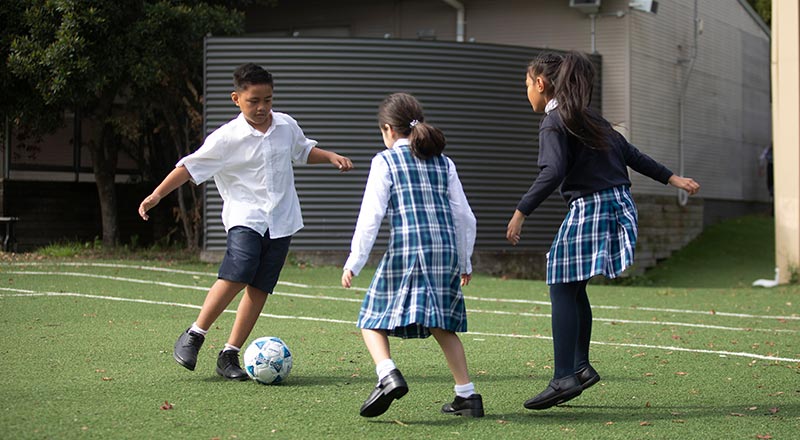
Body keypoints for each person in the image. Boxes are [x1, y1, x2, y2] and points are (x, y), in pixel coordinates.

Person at [506, 51, 700, 410]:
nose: (526, 94)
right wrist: (675, 179)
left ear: (540, 83)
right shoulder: (588, 117)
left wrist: (521, 212)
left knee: (561, 283)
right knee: (573, 283)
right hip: (617, 202)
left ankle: (564, 375)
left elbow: (552, 171)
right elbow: (632, 154)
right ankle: (579, 368)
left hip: (592, 205)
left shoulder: (555, 120)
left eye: (526, 86)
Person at [138, 63, 353, 380]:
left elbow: (303, 151)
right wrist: (156, 195)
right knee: (239, 269)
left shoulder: (285, 126)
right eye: (254, 101)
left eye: (268, 99)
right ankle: (195, 334)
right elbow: (189, 167)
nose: (263, 107)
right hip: (245, 216)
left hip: (282, 219)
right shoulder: (226, 138)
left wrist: (330, 156)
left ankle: (229, 355)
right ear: (236, 98)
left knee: (260, 286)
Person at [341, 93, 482, 418]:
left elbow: (370, 216)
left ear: (389, 129)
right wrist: (464, 260)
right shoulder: (444, 162)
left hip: (409, 248)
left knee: (370, 318)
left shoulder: (385, 161)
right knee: (441, 323)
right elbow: (465, 217)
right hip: (445, 251)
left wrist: (354, 261)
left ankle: (387, 374)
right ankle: (467, 396)